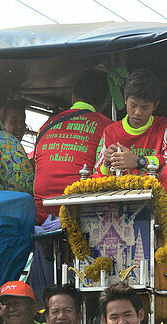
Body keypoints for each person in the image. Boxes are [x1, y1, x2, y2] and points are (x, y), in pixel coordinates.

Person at [94, 69, 167, 203]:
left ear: (156, 105)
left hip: (157, 200)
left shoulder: (165, 126)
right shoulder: (110, 132)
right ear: (125, 100)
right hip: (121, 198)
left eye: (145, 108)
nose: (137, 113)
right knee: (94, 179)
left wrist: (139, 161)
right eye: (133, 105)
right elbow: (97, 172)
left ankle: (161, 220)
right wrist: (107, 163)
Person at [32, 69, 112, 224]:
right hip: (81, 210)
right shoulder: (109, 128)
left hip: (41, 214)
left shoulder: (45, 126)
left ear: (73, 96)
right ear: (103, 105)